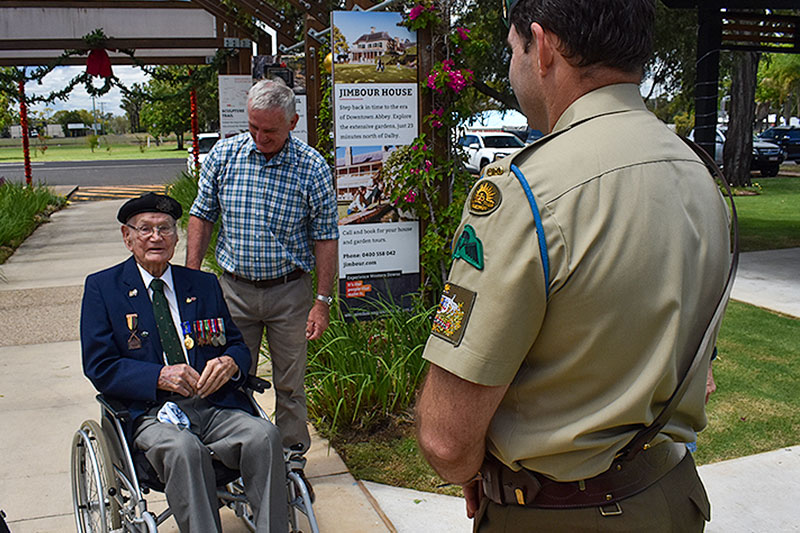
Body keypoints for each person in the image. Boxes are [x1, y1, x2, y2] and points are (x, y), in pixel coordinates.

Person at [415, 1, 731, 531]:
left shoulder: (526, 192)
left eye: (512, 50)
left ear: (541, 48)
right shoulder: (700, 174)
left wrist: (475, 464)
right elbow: (700, 376)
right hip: (673, 499)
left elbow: (446, 440)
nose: (514, 67)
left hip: (561, 514)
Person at [80, 193, 287, 533]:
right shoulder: (104, 288)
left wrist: (230, 364)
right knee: (184, 449)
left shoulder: (202, 284)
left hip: (213, 405)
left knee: (264, 435)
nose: (155, 237)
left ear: (176, 237)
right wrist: (159, 375)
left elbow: (236, 345)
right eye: (145, 229)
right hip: (151, 413)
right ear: (127, 236)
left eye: (164, 228)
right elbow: (100, 366)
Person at [186, 79, 339, 466]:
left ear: (293, 122)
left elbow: (325, 237)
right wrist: (190, 279)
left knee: (290, 382)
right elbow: (201, 216)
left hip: (289, 292)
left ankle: (290, 456)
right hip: (233, 291)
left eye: (269, 130)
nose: (259, 137)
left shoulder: (312, 167)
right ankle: (238, 453)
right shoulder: (225, 156)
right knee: (230, 376)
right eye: (253, 127)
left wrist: (321, 302)